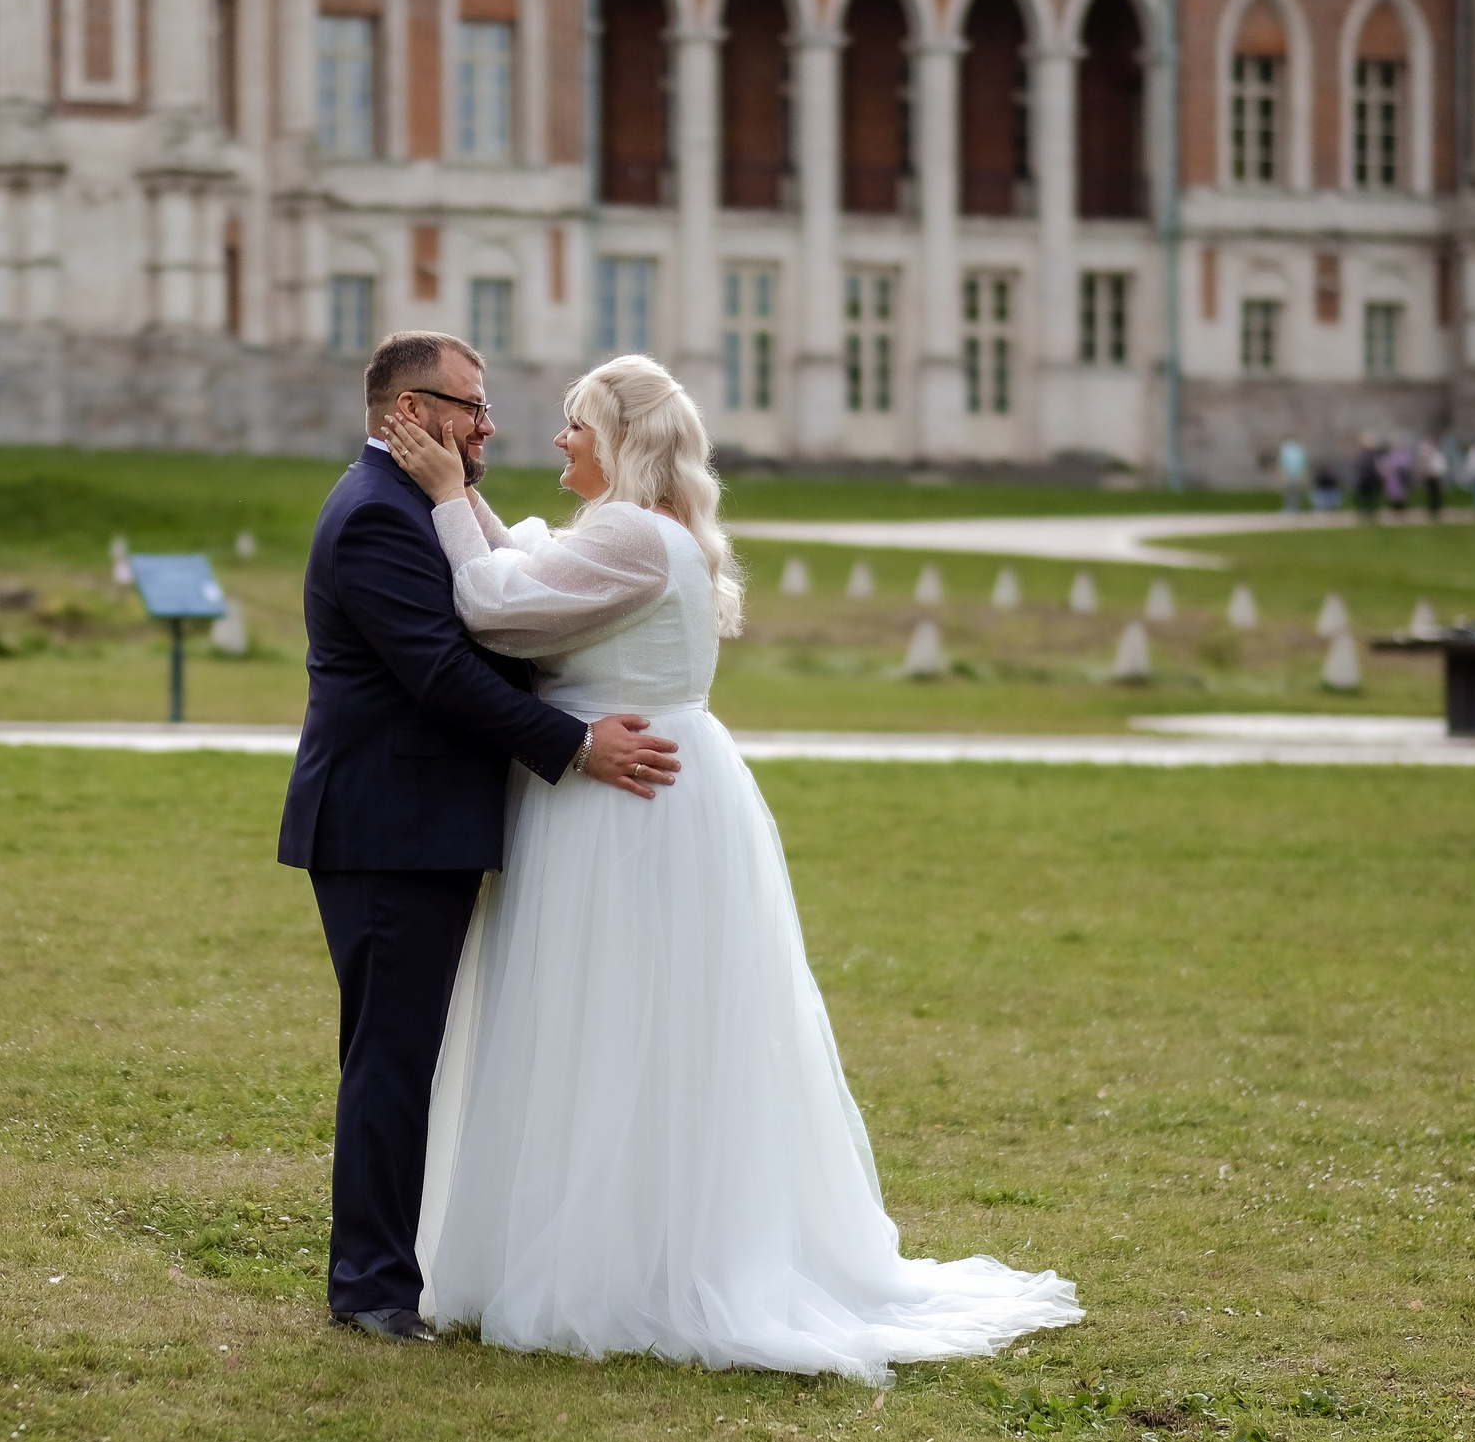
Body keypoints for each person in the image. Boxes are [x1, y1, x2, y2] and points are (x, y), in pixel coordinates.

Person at [381, 355, 1082, 1383]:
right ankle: (632, 1237)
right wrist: (470, 502)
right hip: (656, 793)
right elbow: (530, 567)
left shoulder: (627, 533)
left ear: (617, 440)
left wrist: (447, 496)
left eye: (575, 425)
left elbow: (491, 608)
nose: (558, 442)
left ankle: (621, 1264)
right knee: (647, 1024)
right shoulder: (643, 533)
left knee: (606, 1020)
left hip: (619, 807)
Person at [278, 331, 684, 1345]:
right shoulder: (376, 516)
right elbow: (441, 675)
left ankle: (385, 1271)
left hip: (422, 822)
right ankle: (370, 1286)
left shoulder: (419, 503)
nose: (488, 424)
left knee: (405, 1052)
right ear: (406, 411)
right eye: (466, 405)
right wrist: (575, 745)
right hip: (387, 826)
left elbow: (505, 594)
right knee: (390, 1056)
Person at [1417, 436, 1449, 519]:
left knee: (1436, 495)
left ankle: (1436, 510)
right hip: (1429, 477)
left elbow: (1441, 466)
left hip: (1435, 477)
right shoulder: (1426, 456)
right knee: (1430, 494)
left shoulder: (1437, 455)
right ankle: (1431, 510)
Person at [1277, 437, 1310, 513]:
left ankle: (1294, 508)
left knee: (1293, 492)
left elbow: (1302, 462)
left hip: (1293, 473)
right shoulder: (1293, 450)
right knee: (1292, 492)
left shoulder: (1288, 450)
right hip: (1293, 473)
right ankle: (1292, 508)